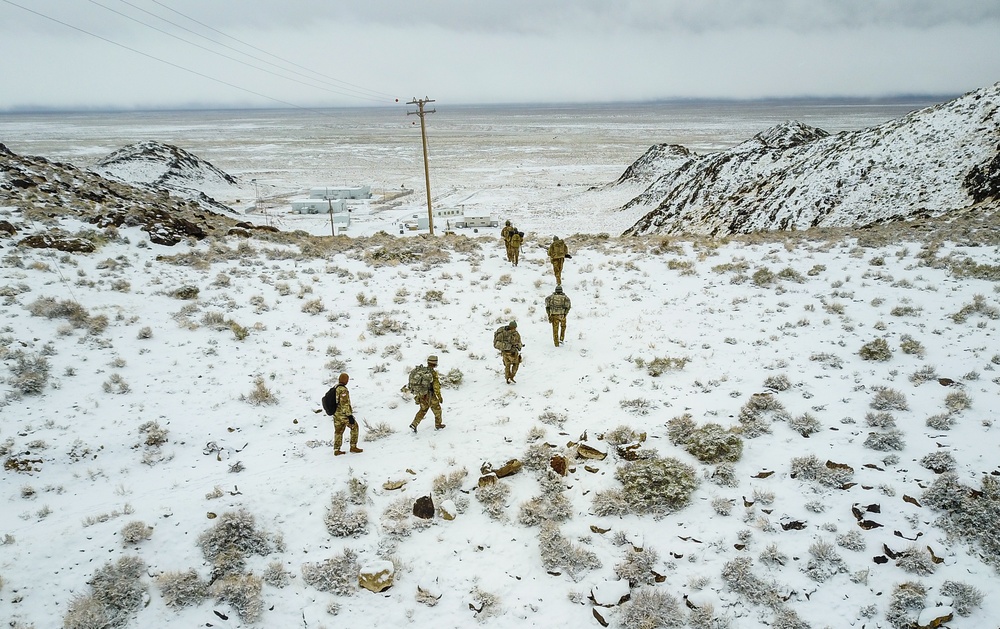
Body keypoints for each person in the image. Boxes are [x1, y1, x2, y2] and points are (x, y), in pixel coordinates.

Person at [328, 373, 362, 455]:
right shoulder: (343, 390)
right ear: (345, 380)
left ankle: (336, 449)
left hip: (336, 414)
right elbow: (344, 403)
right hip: (343, 414)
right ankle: (353, 446)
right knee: (355, 427)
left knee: (338, 431)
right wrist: (349, 415)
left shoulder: (335, 387)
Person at [410, 355, 444, 431]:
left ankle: (414, 424)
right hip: (430, 395)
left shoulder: (422, 371)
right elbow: (436, 387)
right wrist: (439, 397)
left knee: (423, 410)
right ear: (435, 363)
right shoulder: (432, 373)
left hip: (422, 395)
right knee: (437, 410)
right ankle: (438, 425)